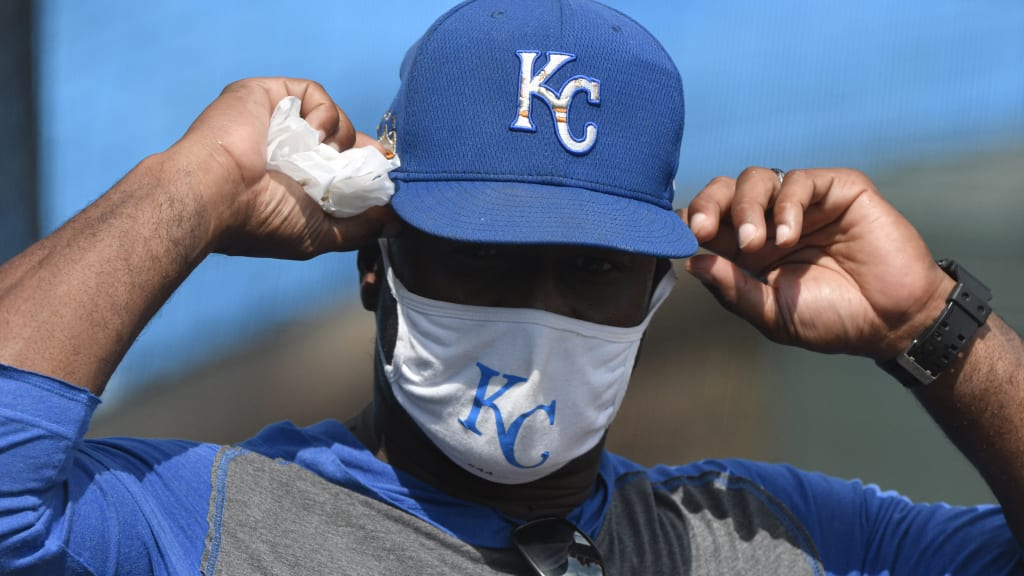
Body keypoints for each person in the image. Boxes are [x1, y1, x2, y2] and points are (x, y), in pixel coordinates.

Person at [1, 0, 1022, 574]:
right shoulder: (205, 525)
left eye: (594, 268)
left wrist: (929, 325)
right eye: (480, 255)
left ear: (657, 290)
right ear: (375, 258)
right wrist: (194, 182)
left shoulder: (771, 541)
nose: (541, 312)